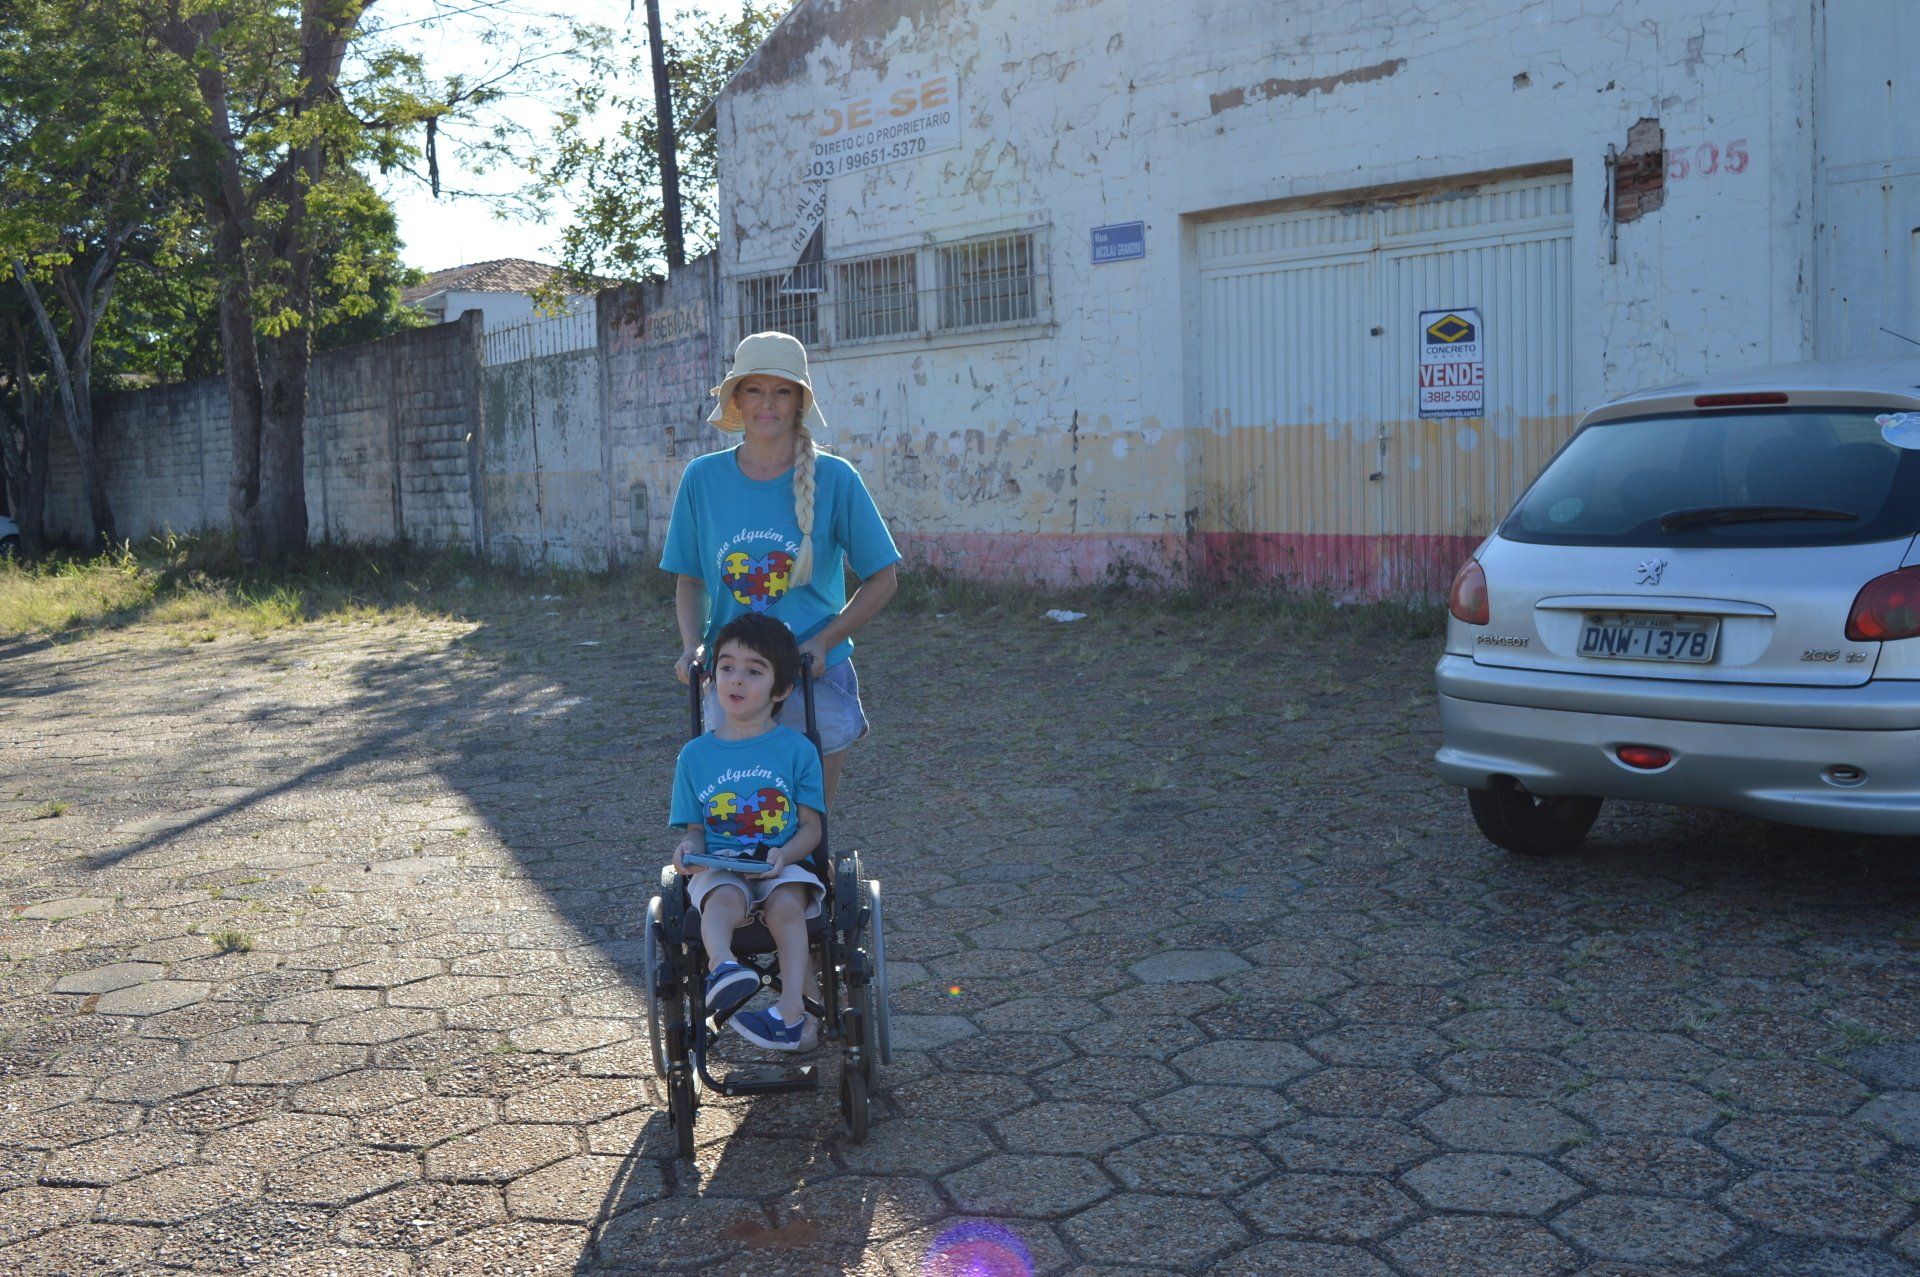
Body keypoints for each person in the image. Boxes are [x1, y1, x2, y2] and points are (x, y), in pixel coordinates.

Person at [662, 331, 900, 806]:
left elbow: (883, 578)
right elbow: (690, 579)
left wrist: (824, 641)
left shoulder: (836, 478)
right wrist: (692, 646)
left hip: (814, 675)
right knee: (739, 815)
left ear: (799, 402)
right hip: (734, 677)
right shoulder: (702, 479)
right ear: (736, 399)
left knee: (809, 825)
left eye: (782, 391)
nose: (767, 403)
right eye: (754, 389)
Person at [670, 614, 825, 1051]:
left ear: (781, 689)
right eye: (726, 667)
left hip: (781, 861)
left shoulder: (797, 750)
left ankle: (790, 1013)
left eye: (754, 671)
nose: (736, 679)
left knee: (788, 905)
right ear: (713, 675)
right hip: (722, 864)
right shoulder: (694, 756)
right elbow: (697, 831)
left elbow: (811, 827)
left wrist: (785, 855)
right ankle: (723, 968)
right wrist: (687, 849)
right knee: (721, 897)